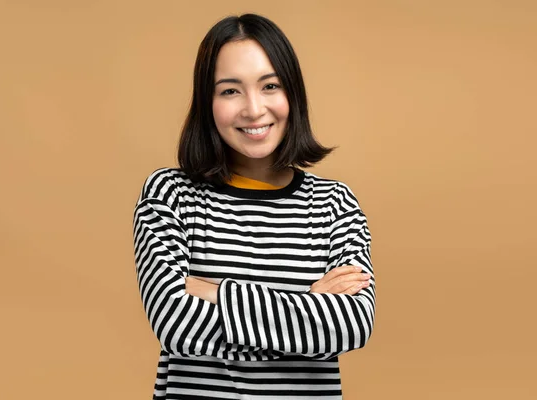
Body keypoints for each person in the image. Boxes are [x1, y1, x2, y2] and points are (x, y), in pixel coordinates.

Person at [132, 13, 375, 399]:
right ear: (206, 102)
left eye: (270, 86)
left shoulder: (334, 204)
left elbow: (350, 325)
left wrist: (213, 293)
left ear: (292, 93)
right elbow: (174, 323)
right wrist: (307, 308)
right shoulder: (170, 194)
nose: (253, 109)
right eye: (230, 91)